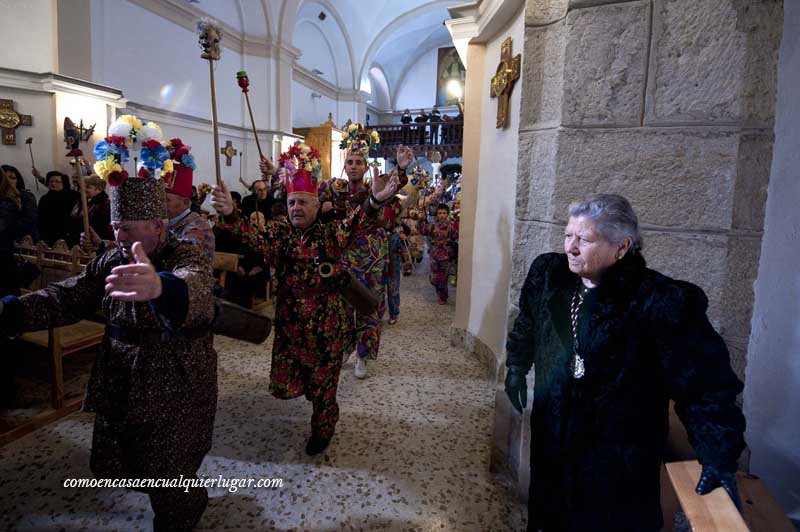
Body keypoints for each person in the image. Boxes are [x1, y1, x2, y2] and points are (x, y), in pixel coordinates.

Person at [504, 194, 746, 532]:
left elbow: (706, 386)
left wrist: (718, 456)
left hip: (618, 461)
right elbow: (528, 322)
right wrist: (516, 365)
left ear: (622, 247)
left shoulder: (659, 301)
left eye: (584, 240)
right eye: (568, 235)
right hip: (553, 448)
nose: (571, 247)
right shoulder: (549, 274)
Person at [0, 161, 218, 531]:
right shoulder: (112, 258)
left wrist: (163, 288)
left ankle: (183, 510)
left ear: (157, 226)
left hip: (175, 377)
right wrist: (10, 311)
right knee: (126, 457)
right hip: (123, 376)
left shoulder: (185, 253)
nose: (119, 237)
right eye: (115, 227)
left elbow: (195, 283)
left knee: (168, 464)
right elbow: (67, 297)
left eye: (127, 229)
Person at [219, 140, 401, 454]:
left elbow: (356, 223)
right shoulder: (278, 234)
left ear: (317, 206)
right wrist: (232, 215)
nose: (296, 209)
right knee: (293, 380)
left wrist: (373, 200)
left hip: (326, 324)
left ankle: (322, 429)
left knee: (324, 386)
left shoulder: (331, 234)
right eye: (291, 203)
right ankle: (314, 400)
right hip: (290, 326)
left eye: (303, 202)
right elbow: (250, 236)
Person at [318, 125, 414, 378]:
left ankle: (363, 355)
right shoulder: (333, 188)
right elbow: (305, 196)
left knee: (369, 307)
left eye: (359, 162)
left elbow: (394, 184)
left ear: (365, 165)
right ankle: (347, 347)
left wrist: (401, 167)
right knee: (342, 309)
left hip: (371, 261)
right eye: (349, 161)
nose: (353, 166)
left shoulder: (376, 186)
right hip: (342, 258)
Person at [421, 203, 458, 304]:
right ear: (437, 214)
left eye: (444, 213)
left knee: (444, 278)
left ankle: (443, 297)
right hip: (434, 254)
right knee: (434, 278)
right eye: (439, 213)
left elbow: (456, 237)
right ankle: (440, 292)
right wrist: (421, 219)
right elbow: (423, 231)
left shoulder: (451, 226)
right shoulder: (432, 225)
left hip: (446, 255)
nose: (442, 215)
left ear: (447, 214)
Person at [66, 174, 112, 246]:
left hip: (92, 244)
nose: (84, 190)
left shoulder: (105, 205)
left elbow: (103, 226)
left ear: (99, 189)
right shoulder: (81, 202)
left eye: (88, 187)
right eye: (83, 187)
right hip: (76, 242)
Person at [36, 170, 77, 245]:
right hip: (47, 236)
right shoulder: (44, 199)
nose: (53, 184)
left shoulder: (71, 196)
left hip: (66, 237)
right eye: (51, 181)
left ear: (63, 184)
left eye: (57, 182)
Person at [2, 165, 38, 242]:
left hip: (19, 240)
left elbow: (30, 220)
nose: (8, 181)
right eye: (5, 178)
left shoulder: (26, 196)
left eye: (12, 178)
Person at [383, 204, 404, 324]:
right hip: (380, 268)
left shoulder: (396, 236)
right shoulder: (377, 234)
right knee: (380, 291)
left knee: (393, 291)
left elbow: (401, 250)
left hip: (393, 268)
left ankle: (394, 313)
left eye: (387, 220)